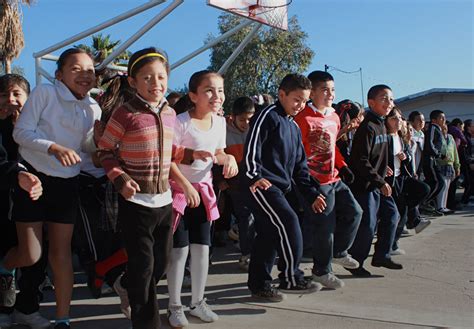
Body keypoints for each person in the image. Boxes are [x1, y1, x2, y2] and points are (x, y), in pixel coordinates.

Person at [98, 48, 211, 329]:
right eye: (147, 77)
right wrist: (120, 179)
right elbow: (104, 151)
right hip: (135, 203)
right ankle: (147, 322)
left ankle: (126, 282)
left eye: (161, 77)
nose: (155, 83)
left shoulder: (170, 112)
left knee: (159, 265)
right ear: (133, 82)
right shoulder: (125, 113)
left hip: (164, 202)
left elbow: (168, 148)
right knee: (144, 268)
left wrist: (190, 155)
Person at [2, 48, 101, 329]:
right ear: (59, 75)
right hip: (33, 179)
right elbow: (21, 134)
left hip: (67, 185)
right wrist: (54, 148)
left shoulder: (94, 108)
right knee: (31, 254)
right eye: (76, 69)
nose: (85, 75)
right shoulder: (45, 93)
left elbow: (85, 152)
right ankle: (4, 267)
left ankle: (63, 319)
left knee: (60, 254)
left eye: (90, 70)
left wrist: (104, 154)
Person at [243, 73, 325, 302]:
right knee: (288, 221)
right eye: (296, 99)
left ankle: (259, 285)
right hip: (260, 185)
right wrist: (254, 177)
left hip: (280, 188)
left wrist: (310, 193)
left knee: (268, 234)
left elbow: (300, 168)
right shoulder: (266, 116)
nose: (300, 106)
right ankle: (291, 278)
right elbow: (252, 149)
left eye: (305, 101)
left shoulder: (293, 127)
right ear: (282, 94)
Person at [166, 70, 238, 328]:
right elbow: (168, 159)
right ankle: (174, 305)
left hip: (204, 194)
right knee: (179, 251)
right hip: (179, 193)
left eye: (220, 90)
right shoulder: (179, 121)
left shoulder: (220, 122)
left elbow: (217, 153)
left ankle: (197, 301)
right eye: (209, 90)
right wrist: (185, 186)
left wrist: (228, 159)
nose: (216, 95)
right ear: (193, 95)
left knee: (202, 249)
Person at [294, 71, 361, 289]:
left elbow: (333, 146)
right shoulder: (301, 118)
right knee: (325, 226)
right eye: (324, 89)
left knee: (355, 212)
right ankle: (321, 271)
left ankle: (340, 252)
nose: (330, 94)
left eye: (332, 89)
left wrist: (342, 165)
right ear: (311, 92)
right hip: (315, 181)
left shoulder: (334, 117)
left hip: (334, 178)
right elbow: (296, 153)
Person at [0, 74, 50, 329]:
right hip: (5, 204)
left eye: (17, 94)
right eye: (5, 94)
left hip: (35, 201)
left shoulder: (40, 125)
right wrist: (17, 173)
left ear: (28, 98)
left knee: (36, 260)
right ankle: (5, 308)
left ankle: (28, 308)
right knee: (9, 253)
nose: (11, 100)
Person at [347, 84, 402, 277]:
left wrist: (384, 168)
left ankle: (381, 255)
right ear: (371, 102)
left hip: (379, 183)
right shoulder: (368, 127)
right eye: (384, 98)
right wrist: (379, 180)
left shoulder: (382, 125)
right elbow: (359, 159)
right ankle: (355, 261)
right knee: (368, 223)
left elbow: (381, 154)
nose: (389, 103)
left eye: (391, 99)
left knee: (392, 216)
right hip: (366, 185)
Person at [215, 96, 256, 271]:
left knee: (250, 217)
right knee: (245, 216)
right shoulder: (221, 130)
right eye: (242, 119)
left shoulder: (255, 129)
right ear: (232, 117)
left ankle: (243, 241)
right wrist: (220, 180)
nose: (246, 123)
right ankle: (247, 254)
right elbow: (215, 155)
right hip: (233, 183)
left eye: (250, 118)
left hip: (253, 180)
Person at [384, 109, 431, 255]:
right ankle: (391, 245)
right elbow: (375, 156)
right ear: (386, 120)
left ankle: (408, 212)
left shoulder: (400, 137)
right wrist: (382, 167)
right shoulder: (383, 137)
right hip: (389, 180)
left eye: (399, 118)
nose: (398, 121)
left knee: (424, 189)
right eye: (394, 118)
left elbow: (408, 156)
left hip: (402, 177)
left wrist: (405, 157)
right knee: (397, 215)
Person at [423, 110, 447, 212]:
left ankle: (426, 202)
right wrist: (438, 154)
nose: (444, 120)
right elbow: (429, 143)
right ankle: (423, 202)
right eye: (441, 118)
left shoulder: (438, 129)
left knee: (440, 182)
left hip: (435, 159)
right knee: (436, 182)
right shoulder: (433, 127)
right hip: (429, 159)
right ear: (434, 120)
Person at [435, 122, 460, 214]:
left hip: (450, 164)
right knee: (443, 185)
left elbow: (455, 152)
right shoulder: (437, 137)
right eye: (442, 127)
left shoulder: (450, 137)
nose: (444, 128)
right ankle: (439, 207)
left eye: (445, 126)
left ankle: (444, 206)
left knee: (447, 186)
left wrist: (457, 165)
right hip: (441, 164)